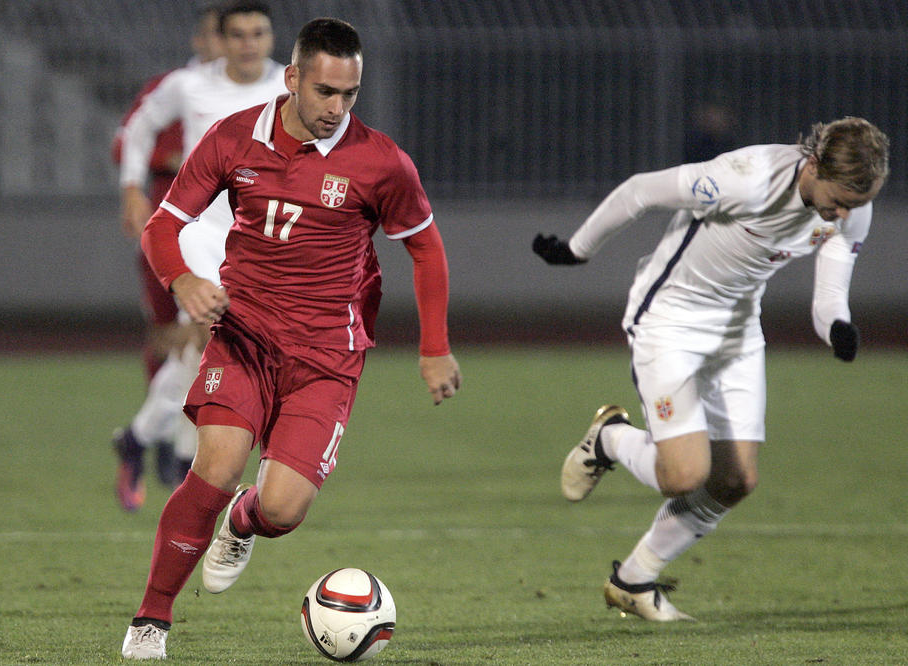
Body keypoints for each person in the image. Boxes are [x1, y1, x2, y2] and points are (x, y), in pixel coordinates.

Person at [120, 17, 461, 659]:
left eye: (350, 94)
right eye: (325, 92)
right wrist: (182, 281)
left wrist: (434, 346)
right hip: (244, 334)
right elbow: (163, 226)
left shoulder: (381, 162)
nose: (337, 108)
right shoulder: (232, 138)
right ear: (293, 78)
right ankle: (151, 621)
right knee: (214, 464)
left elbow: (427, 250)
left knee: (282, 511)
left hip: (329, 356)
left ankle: (244, 522)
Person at [533, 117, 888, 621]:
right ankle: (609, 438)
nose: (846, 213)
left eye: (857, 204)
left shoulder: (852, 210)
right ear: (814, 165)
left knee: (735, 480)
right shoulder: (744, 178)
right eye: (841, 199)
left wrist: (838, 329)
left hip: (738, 329)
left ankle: (632, 580)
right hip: (670, 318)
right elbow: (639, 192)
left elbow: (829, 298)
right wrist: (576, 249)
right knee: (683, 475)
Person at [112, 1, 287, 512]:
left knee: (203, 345)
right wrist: (131, 189)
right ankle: (191, 460)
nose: (249, 44)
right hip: (197, 230)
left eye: (259, 33)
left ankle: (140, 438)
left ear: (271, 37)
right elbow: (139, 127)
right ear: (224, 40)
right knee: (212, 332)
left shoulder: (288, 86)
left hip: (253, 235)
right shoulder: (188, 86)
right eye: (239, 35)